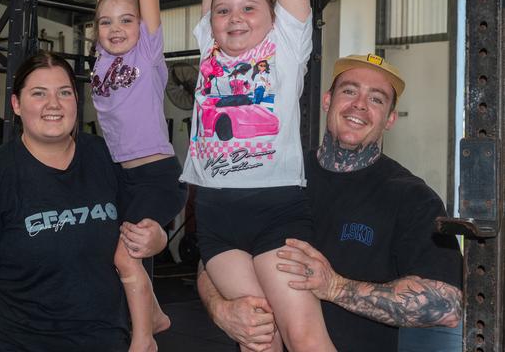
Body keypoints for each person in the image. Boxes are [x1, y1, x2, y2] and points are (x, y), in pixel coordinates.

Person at [197, 53, 463, 352]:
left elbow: (448, 304)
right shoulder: (272, 175)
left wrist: (335, 287)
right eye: (349, 90)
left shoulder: (412, 198)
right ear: (327, 100)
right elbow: (213, 256)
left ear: (390, 118)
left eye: (376, 99)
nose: (359, 104)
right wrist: (221, 309)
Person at [180, 0, 335, 351]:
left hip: (277, 208)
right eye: (224, 10)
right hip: (216, 212)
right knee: (256, 335)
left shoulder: (286, 47)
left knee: (303, 335)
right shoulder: (208, 45)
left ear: (273, 17)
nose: (234, 17)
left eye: (250, 8)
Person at [0, 52, 167, 352]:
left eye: (64, 93)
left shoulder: (107, 157)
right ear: (16, 104)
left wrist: (158, 238)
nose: (53, 104)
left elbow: (141, 225)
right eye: (39, 94)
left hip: (108, 342)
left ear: (76, 100)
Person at [90, 0, 187, 352]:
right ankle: (157, 315)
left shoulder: (146, 53)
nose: (115, 29)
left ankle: (144, 339)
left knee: (125, 254)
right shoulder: (102, 57)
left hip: (156, 174)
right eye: (107, 23)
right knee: (127, 252)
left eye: (126, 22)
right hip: (120, 176)